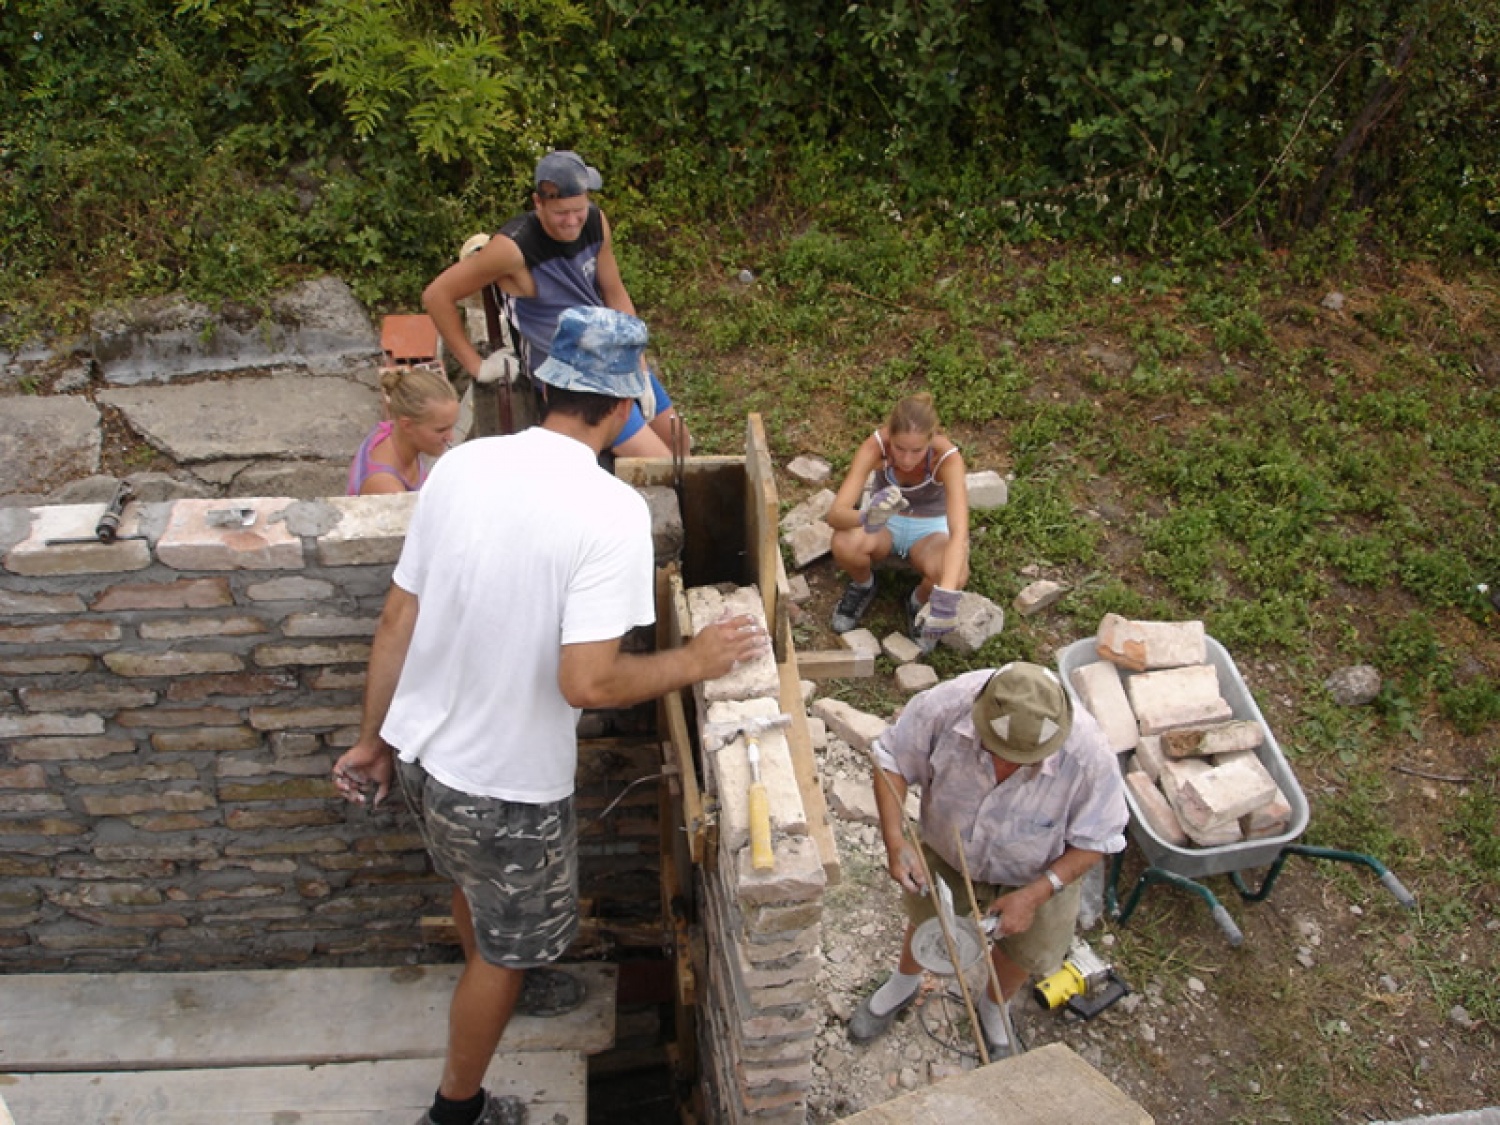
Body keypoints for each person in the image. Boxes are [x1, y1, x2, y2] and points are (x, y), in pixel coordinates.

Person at [331, 306, 767, 1125]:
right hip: (502, 788)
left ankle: (497, 966)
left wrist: (372, 741)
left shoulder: (461, 467)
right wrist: (697, 661)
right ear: (619, 407)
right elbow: (589, 682)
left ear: (546, 385)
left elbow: (397, 618)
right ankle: (455, 1108)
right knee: (506, 949)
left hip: (423, 755)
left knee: (474, 892)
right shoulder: (609, 514)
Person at [849, 662, 1128, 1057]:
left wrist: (1034, 895)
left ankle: (994, 1006)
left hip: (1039, 870)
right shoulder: (947, 706)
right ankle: (903, 984)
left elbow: (1100, 838)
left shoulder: (1088, 756)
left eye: (1022, 760)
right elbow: (891, 760)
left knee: (1025, 948)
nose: (1006, 767)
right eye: (998, 753)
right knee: (929, 918)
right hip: (951, 848)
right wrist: (895, 841)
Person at [422, 150, 689, 458]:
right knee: (661, 464)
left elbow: (615, 292)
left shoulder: (594, 221)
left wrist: (637, 359)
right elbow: (437, 295)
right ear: (539, 203)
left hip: (611, 350)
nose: (573, 220)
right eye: (562, 213)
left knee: (680, 443)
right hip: (571, 376)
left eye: (579, 209)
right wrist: (477, 366)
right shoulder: (512, 249)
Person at [824, 393, 970, 650]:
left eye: (917, 451)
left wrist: (945, 598)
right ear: (890, 435)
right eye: (899, 448)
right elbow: (836, 515)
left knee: (956, 573)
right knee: (845, 541)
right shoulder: (876, 446)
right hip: (885, 521)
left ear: (931, 439)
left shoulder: (946, 459)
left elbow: (959, 533)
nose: (906, 459)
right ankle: (863, 585)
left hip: (930, 529)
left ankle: (918, 602)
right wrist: (867, 517)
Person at [347, 366, 460, 496]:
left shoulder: (393, 431)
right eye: (441, 430)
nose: (451, 437)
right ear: (407, 425)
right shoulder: (387, 488)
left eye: (452, 426)